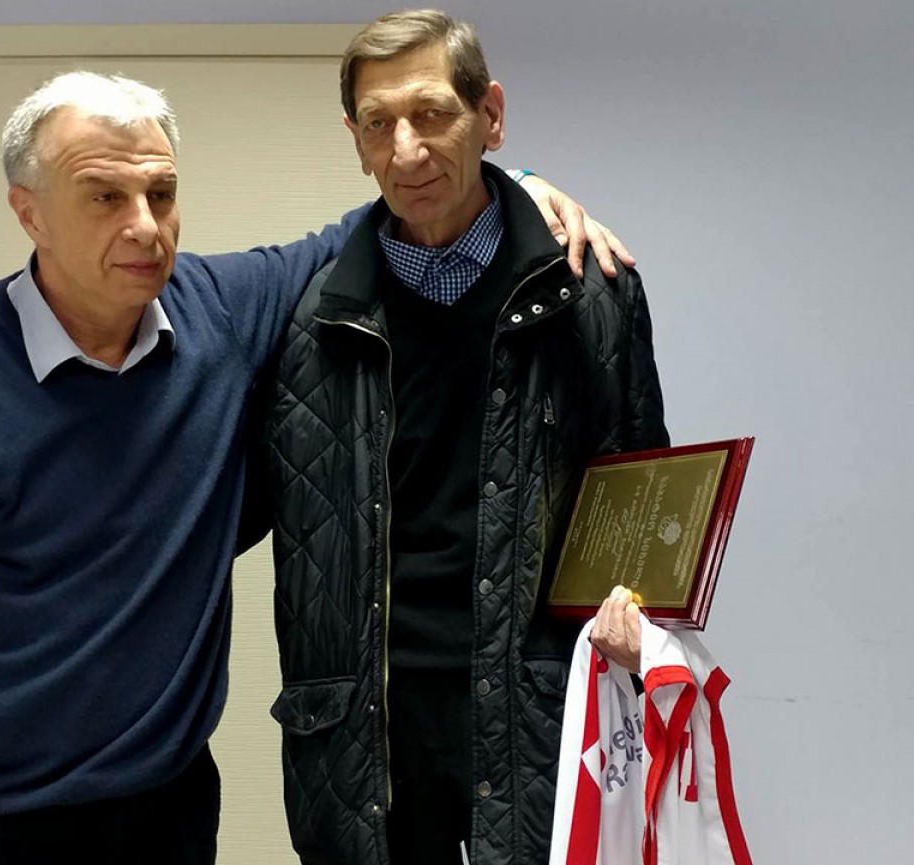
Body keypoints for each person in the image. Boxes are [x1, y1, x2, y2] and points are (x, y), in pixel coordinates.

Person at [0, 69, 627, 865]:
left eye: (161, 193)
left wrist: (516, 186)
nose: (145, 226)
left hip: (169, 809)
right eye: (104, 197)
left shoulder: (219, 314)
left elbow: (388, 215)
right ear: (29, 213)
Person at [245, 9, 668, 865]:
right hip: (364, 737)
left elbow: (641, 495)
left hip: (539, 715)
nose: (407, 149)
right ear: (357, 142)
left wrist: (643, 619)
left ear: (490, 115)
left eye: (432, 113)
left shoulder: (589, 292)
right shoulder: (306, 321)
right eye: (379, 124)